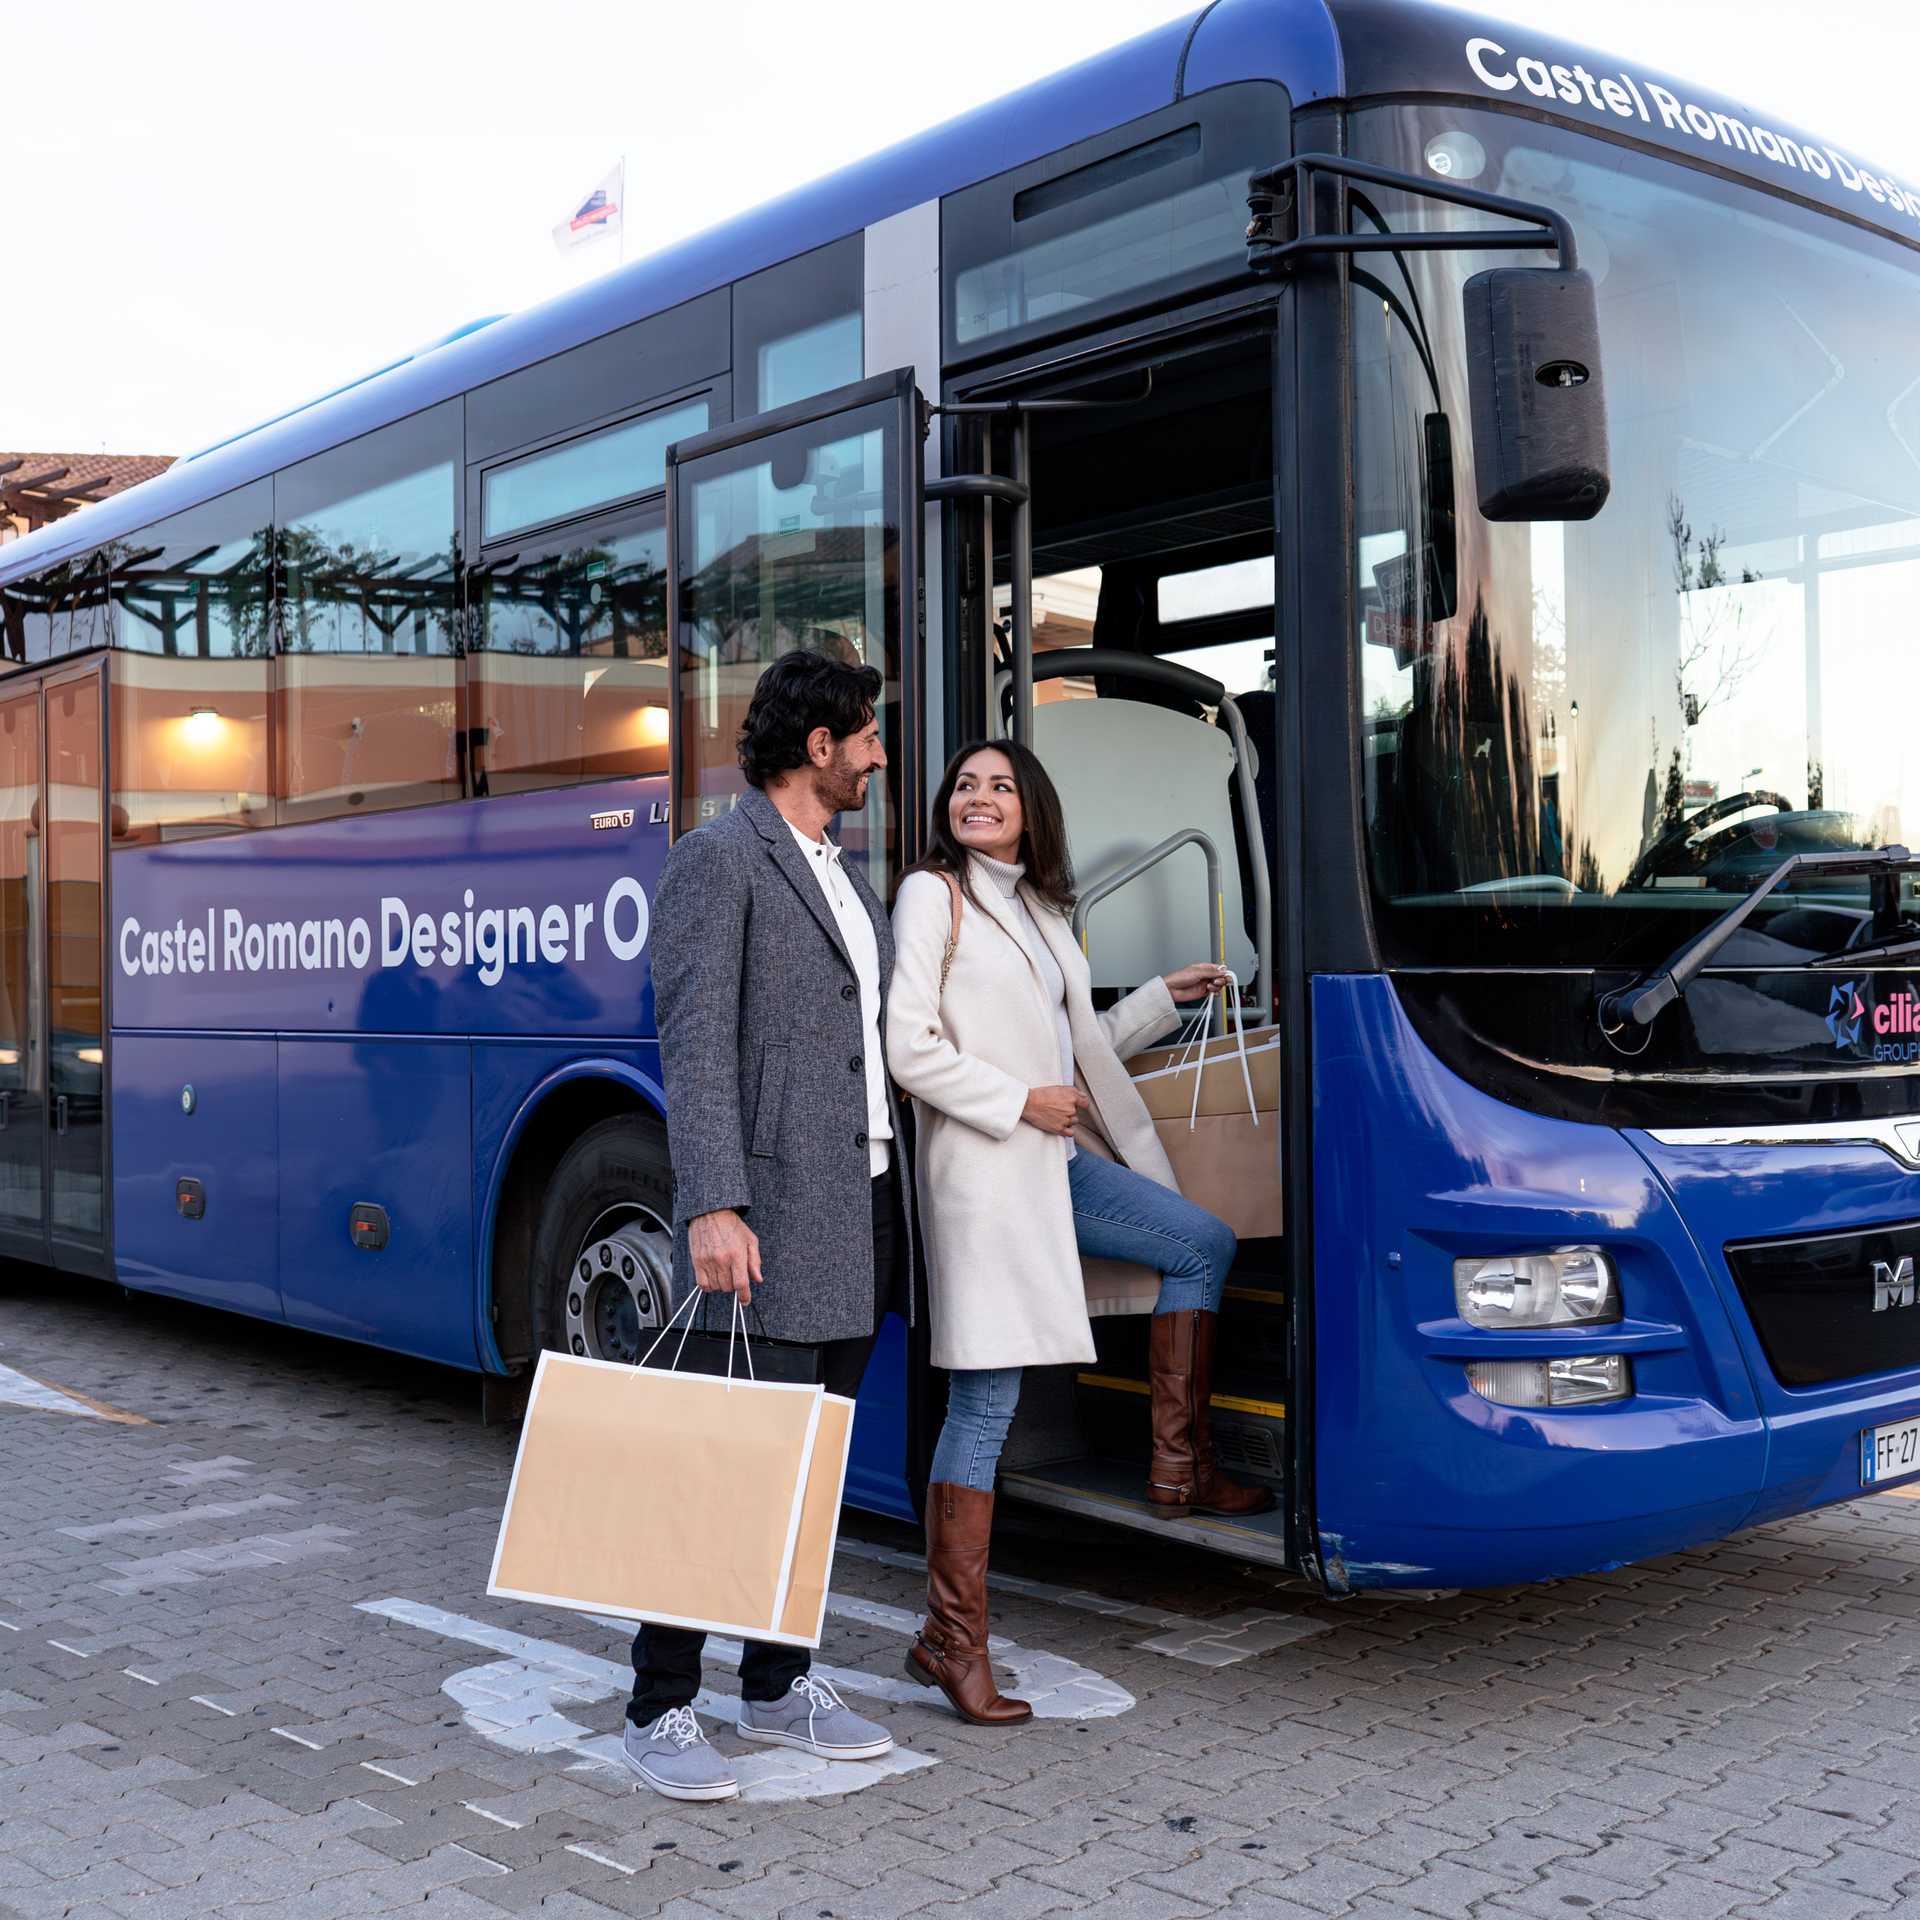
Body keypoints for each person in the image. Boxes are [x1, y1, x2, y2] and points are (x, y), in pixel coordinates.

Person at [887, 739, 1272, 1725]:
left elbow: (1077, 1047)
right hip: (986, 1176)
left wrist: (1156, 1001)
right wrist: (1020, 1103)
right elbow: (908, 1048)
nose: (978, 797)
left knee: (1199, 1244)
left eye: (1000, 786)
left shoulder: (1043, 909)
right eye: (965, 786)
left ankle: (1177, 1470)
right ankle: (950, 1638)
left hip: (1053, 1166)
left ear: (1032, 810)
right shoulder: (935, 895)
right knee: (985, 1405)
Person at [622, 648, 908, 1802]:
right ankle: (660, 1702)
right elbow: (691, 1046)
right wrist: (711, 1201)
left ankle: (779, 1682)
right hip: (772, 1212)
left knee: (809, 1468)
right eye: (869, 734)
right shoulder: (717, 860)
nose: (882, 754)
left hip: (865, 1207)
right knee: (729, 1466)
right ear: (819, 745)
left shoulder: (846, 874)